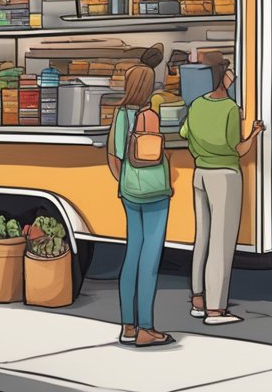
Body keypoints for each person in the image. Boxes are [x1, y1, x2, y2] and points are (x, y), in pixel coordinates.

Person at [178, 51, 263, 326]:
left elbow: (183, 134)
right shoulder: (229, 108)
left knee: (201, 239)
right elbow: (236, 149)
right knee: (221, 244)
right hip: (224, 176)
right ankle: (216, 310)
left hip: (200, 173)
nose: (231, 75)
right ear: (221, 75)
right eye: (227, 70)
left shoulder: (195, 106)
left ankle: (198, 300)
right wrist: (254, 134)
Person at [108, 65, 173, 347]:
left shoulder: (120, 115)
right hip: (156, 191)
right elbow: (156, 152)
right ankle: (146, 327)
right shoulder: (150, 115)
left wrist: (125, 182)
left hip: (130, 192)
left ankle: (128, 326)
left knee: (132, 254)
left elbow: (114, 157)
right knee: (150, 258)